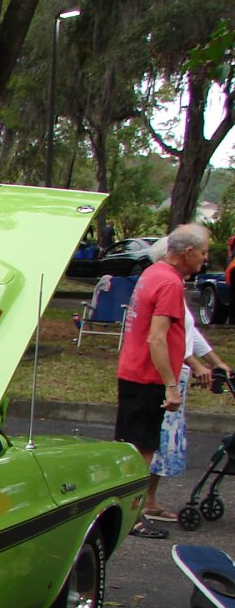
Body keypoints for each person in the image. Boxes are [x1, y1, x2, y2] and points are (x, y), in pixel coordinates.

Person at [114, 223, 211, 538]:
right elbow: (157, 339)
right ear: (188, 252)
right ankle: (132, 515)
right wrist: (171, 384)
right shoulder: (169, 283)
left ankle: (128, 510)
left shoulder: (152, 273)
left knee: (133, 445)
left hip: (133, 370)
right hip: (147, 376)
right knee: (141, 450)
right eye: (204, 253)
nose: (205, 259)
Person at [146, 299, 230, 521]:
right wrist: (198, 365)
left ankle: (149, 499)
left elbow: (190, 335)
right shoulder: (168, 289)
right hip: (169, 373)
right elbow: (172, 340)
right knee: (158, 441)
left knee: (165, 442)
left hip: (179, 373)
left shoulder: (178, 293)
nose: (204, 261)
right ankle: (144, 501)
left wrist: (216, 362)